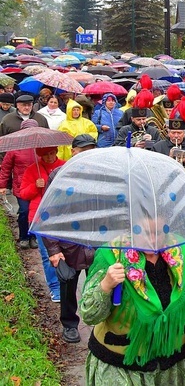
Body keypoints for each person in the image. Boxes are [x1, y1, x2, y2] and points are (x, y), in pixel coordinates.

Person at [79, 229, 185, 383]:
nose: (151, 239)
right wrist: (105, 285)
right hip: (121, 368)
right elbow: (89, 315)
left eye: (158, 232)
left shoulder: (181, 254)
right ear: (132, 226)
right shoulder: (112, 256)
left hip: (170, 368)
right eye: (144, 232)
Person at [44, 134, 96, 344]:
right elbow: (47, 214)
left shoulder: (102, 174)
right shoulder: (59, 175)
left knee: (100, 286)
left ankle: (100, 323)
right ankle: (69, 324)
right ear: (73, 151)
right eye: (82, 150)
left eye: (91, 150)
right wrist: (53, 249)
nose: (87, 155)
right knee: (67, 287)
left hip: (96, 242)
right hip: (68, 244)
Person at [18, 146, 65, 306]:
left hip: (62, 216)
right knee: (47, 254)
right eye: (46, 155)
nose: (50, 157)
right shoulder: (33, 170)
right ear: (40, 155)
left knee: (67, 253)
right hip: (39, 217)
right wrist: (35, 186)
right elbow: (23, 193)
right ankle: (55, 287)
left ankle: (66, 285)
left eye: (52, 153)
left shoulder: (64, 166)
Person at [0, 119, 41, 250]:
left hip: (38, 185)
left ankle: (33, 236)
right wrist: (2, 185)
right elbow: (6, 168)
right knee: (24, 211)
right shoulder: (15, 148)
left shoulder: (41, 148)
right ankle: (24, 236)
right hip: (21, 186)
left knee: (35, 212)